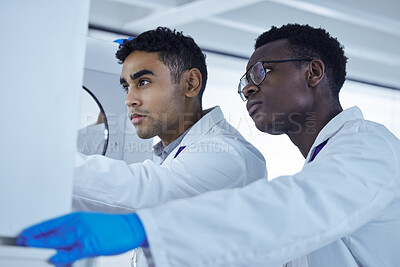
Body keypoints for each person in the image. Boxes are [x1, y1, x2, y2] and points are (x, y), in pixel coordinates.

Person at [18, 24, 400, 267]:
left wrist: (143, 227)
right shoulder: (324, 162)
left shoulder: (368, 146)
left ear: (313, 72)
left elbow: (296, 207)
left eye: (260, 72)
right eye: (126, 86)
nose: (248, 87)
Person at [72, 27, 267, 213]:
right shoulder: (168, 152)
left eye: (144, 82)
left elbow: (143, 194)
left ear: (190, 83)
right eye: (126, 87)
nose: (129, 100)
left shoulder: (228, 154)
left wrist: (52, 163)